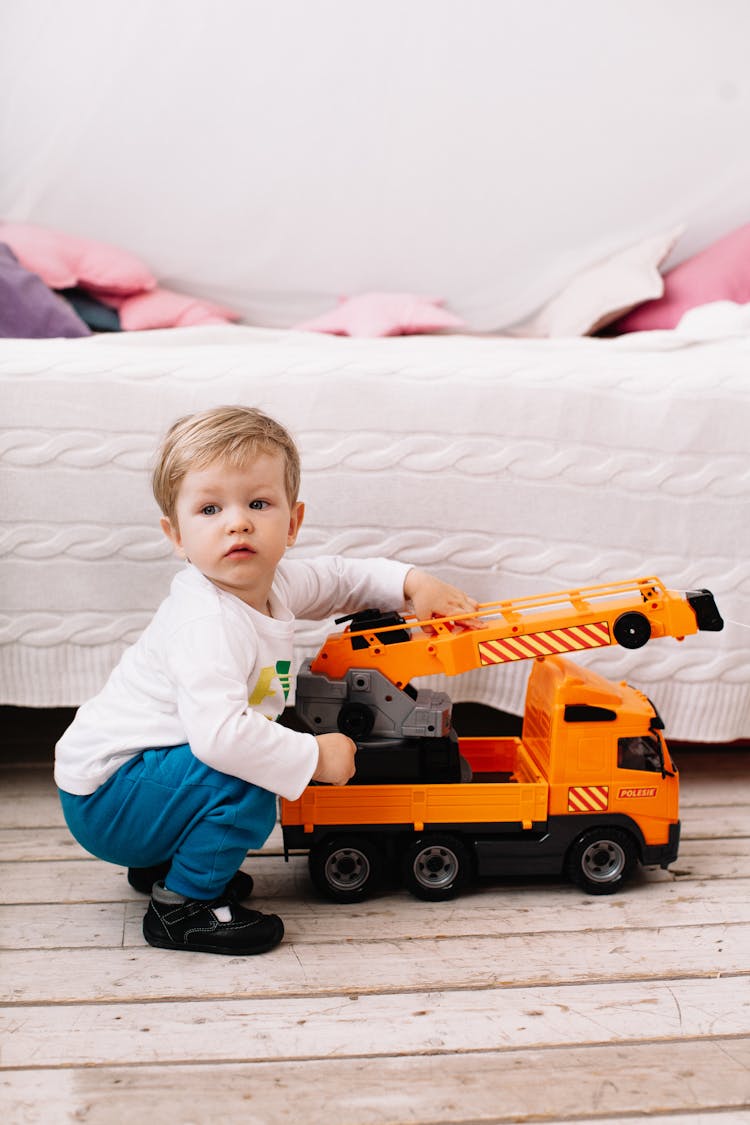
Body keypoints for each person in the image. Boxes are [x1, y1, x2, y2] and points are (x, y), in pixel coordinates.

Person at [55, 405, 479, 956]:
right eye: (210, 508)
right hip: (111, 799)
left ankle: (170, 860)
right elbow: (223, 739)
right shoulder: (207, 622)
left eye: (258, 503)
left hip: (129, 785)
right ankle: (182, 908)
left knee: (245, 758)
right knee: (254, 773)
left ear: (293, 523)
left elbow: (341, 578)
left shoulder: (273, 583)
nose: (238, 522)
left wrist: (412, 582)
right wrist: (314, 756)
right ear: (176, 535)